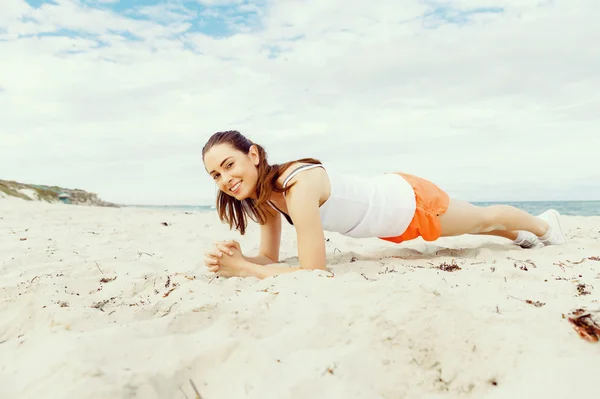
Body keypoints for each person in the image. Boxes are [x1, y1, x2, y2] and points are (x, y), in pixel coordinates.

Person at [202, 130, 567, 280]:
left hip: (408, 203)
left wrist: (243, 270)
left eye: (229, 164)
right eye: (215, 175)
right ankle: (522, 235)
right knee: (479, 226)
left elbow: (315, 272)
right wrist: (240, 259)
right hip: (391, 223)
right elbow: (271, 259)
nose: (225, 178)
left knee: (484, 219)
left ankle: (546, 225)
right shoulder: (266, 200)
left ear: (252, 155)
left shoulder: (297, 184)